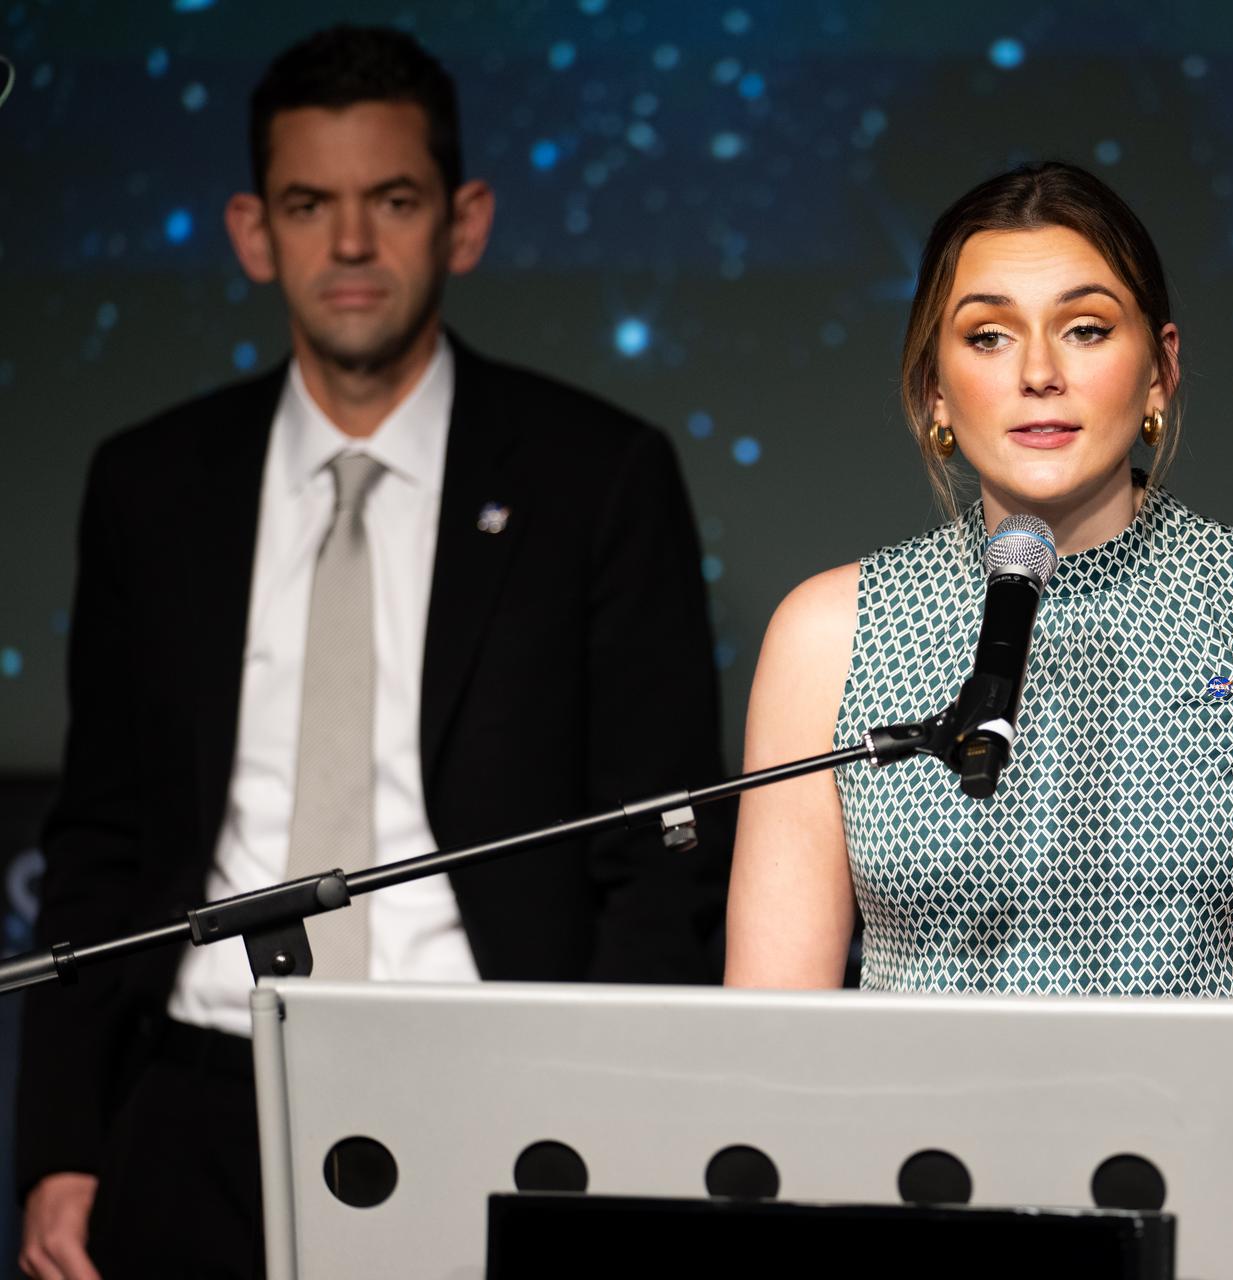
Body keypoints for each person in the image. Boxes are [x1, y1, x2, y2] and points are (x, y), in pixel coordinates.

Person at [16, 26, 727, 1280]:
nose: (350, 243)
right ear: (253, 230)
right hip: (193, 1102)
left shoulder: (595, 475)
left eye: (392, 199)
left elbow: (658, 852)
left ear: (464, 220)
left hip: (499, 1087)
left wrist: (625, 1129)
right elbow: (100, 838)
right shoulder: (151, 484)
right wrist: (61, 1143)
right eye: (309, 203)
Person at [722, 162, 1233, 1093]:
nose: (1039, 374)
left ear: (1160, 371)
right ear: (935, 391)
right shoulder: (828, 633)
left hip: (1221, 1190)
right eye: (987, 336)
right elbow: (772, 1051)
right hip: (921, 1195)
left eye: (1086, 329)